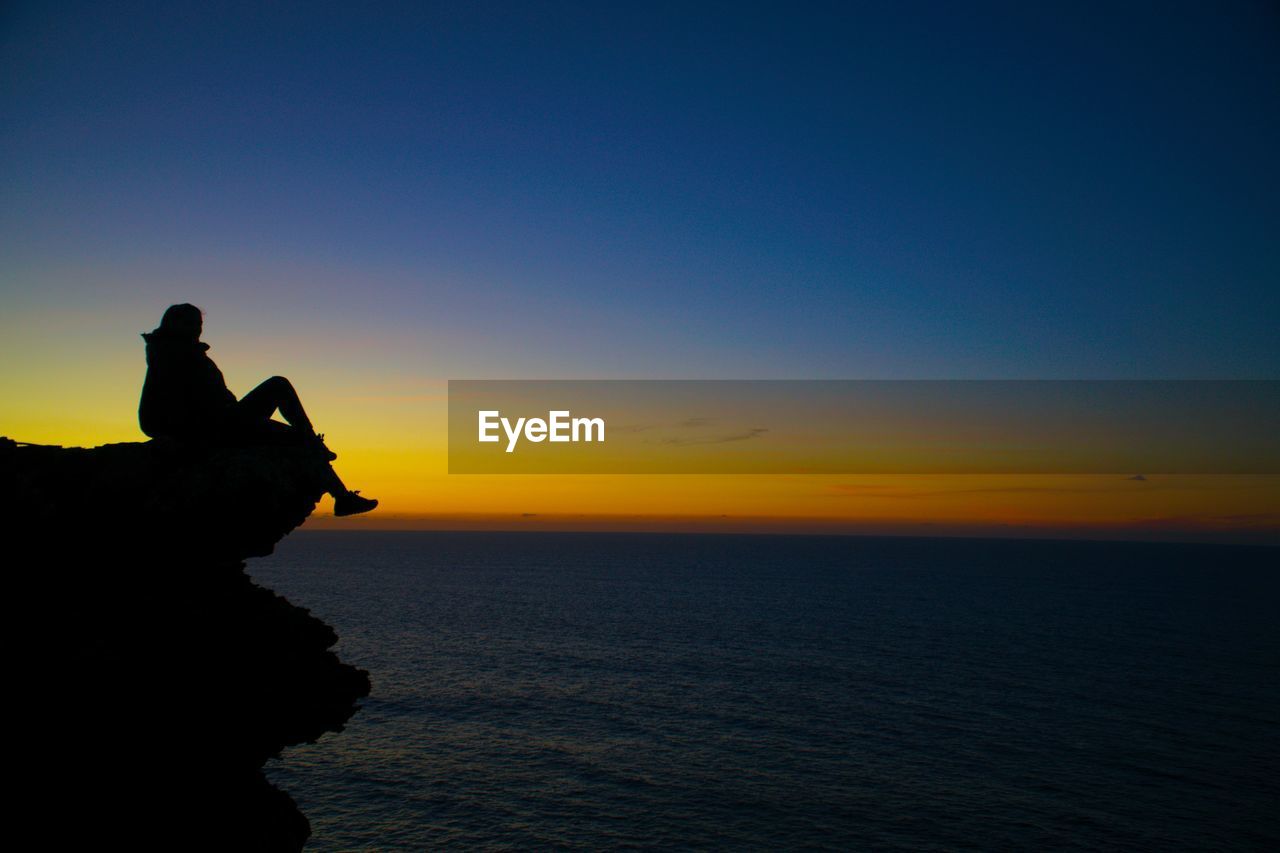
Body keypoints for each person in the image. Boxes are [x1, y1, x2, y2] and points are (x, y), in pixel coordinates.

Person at [139, 303, 378, 517]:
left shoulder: (175, 351)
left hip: (217, 421)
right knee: (278, 386)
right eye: (190, 323)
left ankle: (341, 495)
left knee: (298, 436)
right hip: (212, 426)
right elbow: (185, 402)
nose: (197, 329)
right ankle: (337, 488)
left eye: (199, 324)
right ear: (173, 323)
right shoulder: (172, 354)